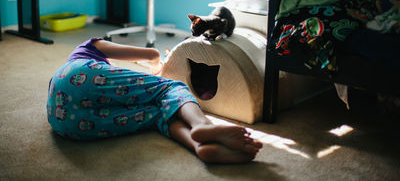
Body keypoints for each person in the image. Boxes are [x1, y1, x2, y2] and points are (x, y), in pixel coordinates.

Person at [47, 37, 263, 163]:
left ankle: (198, 146)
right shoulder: (88, 47)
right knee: (171, 87)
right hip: (78, 76)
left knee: (157, 114)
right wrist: (156, 68)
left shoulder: (77, 60)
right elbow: (151, 53)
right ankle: (201, 125)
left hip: (66, 124)